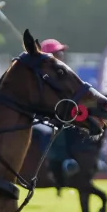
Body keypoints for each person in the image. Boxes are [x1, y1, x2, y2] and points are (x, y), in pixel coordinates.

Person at [37, 39, 78, 188]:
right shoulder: (42, 75)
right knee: (56, 132)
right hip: (38, 116)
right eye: (58, 53)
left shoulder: (60, 75)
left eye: (61, 53)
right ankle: (50, 166)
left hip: (53, 115)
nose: (62, 56)